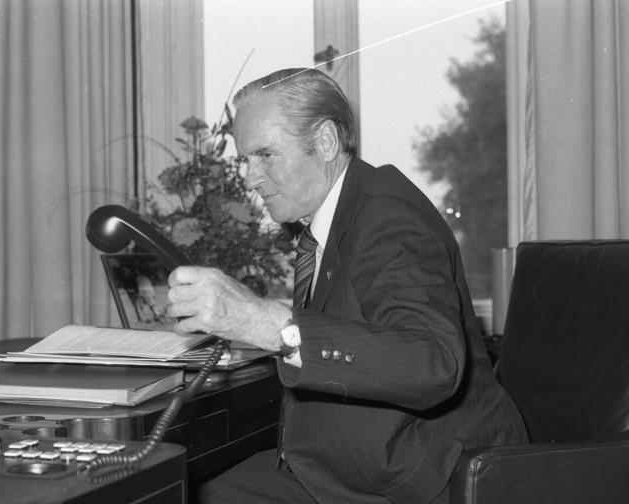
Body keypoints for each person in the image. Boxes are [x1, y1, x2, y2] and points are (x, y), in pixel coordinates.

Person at [165, 68, 527, 504]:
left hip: (424, 481)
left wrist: (266, 322)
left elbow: (433, 362)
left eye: (264, 155)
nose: (249, 177)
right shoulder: (333, 219)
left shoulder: (386, 213)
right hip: (335, 468)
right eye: (245, 159)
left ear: (325, 142)